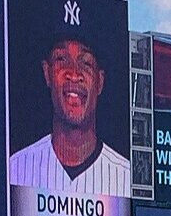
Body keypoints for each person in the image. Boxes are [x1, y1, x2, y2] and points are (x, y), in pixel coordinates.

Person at [7, 29, 128, 196]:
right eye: (61, 59)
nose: (73, 73)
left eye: (86, 63)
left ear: (100, 81)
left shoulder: (126, 178)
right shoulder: (16, 169)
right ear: (47, 72)